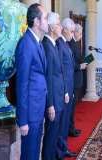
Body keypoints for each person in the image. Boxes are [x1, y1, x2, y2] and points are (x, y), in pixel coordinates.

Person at [15, 3, 49, 160]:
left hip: (38, 110)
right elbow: (21, 84)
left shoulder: (38, 42)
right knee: (29, 155)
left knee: (35, 153)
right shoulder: (26, 43)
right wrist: (23, 121)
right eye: (46, 18)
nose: (48, 22)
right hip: (29, 114)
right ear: (37, 21)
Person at [41, 12, 67, 160]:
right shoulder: (47, 46)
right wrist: (50, 104)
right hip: (53, 103)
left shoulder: (53, 45)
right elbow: (48, 78)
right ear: (51, 27)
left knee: (55, 135)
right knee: (50, 139)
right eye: (58, 24)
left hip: (59, 99)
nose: (61, 28)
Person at [56, 18, 77, 159]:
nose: (73, 34)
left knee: (65, 123)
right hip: (64, 91)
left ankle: (64, 148)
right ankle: (59, 151)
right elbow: (61, 70)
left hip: (69, 90)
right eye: (71, 31)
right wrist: (66, 91)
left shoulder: (67, 44)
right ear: (64, 29)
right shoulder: (58, 44)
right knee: (61, 123)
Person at [68, 24, 87, 137]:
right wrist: (80, 66)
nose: (81, 35)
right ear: (75, 33)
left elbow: (77, 59)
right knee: (71, 106)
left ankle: (72, 126)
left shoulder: (74, 43)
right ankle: (70, 128)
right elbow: (70, 63)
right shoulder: (70, 43)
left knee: (73, 106)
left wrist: (84, 62)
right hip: (73, 79)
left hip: (77, 78)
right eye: (80, 33)